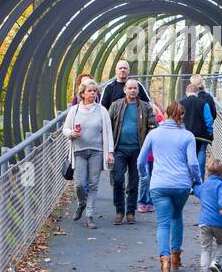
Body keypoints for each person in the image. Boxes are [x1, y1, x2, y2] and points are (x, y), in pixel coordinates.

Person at [137, 101, 200, 272]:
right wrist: (197, 180)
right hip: (181, 184)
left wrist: (144, 176)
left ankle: (164, 261)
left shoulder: (154, 134)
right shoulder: (188, 136)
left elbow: (141, 161)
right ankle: (176, 256)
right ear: (182, 115)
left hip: (159, 184)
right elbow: (193, 163)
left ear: (165, 114)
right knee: (176, 216)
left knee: (163, 224)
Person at [62, 77, 113, 228]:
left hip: (96, 151)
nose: (93, 94)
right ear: (82, 93)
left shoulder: (102, 110)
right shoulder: (74, 110)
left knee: (93, 184)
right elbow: (65, 129)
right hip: (79, 151)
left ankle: (89, 215)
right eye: (89, 91)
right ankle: (82, 203)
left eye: (95, 91)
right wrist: (72, 133)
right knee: (79, 184)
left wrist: (110, 152)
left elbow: (108, 132)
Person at [108, 78, 157, 224]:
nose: (132, 90)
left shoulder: (145, 107)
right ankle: (119, 210)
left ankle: (130, 212)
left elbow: (153, 126)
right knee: (118, 179)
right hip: (119, 149)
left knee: (134, 182)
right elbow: (107, 126)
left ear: (138, 90)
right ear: (125, 90)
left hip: (138, 150)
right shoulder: (115, 106)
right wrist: (108, 149)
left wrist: (148, 146)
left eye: (135, 88)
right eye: (130, 88)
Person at [194, 157, 222, 272]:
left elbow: (196, 191)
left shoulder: (204, 186)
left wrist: (193, 185)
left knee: (205, 249)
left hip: (204, 222)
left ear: (208, 172)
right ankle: (215, 262)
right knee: (221, 243)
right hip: (219, 221)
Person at [179, 76, 215, 185]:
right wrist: (209, 131)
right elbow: (209, 120)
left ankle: (186, 180)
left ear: (186, 92)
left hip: (185, 134)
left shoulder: (181, 103)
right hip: (201, 134)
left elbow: (177, 118)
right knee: (201, 152)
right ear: (197, 92)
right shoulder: (203, 103)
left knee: (186, 155)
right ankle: (200, 180)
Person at [136, 101, 164, 213]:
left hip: (156, 156)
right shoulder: (141, 122)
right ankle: (142, 201)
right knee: (145, 178)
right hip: (145, 155)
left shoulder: (161, 124)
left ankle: (151, 201)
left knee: (153, 179)